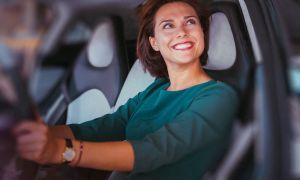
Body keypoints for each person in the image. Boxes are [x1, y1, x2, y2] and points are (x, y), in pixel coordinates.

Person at [14, 0, 239, 179]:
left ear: (202, 32)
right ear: (154, 43)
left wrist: (61, 151)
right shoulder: (158, 88)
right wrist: (32, 135)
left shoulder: (218, 97)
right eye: (168, 25)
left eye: (190, 22)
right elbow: (111, 125)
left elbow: (153, 150)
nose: (181, 31)